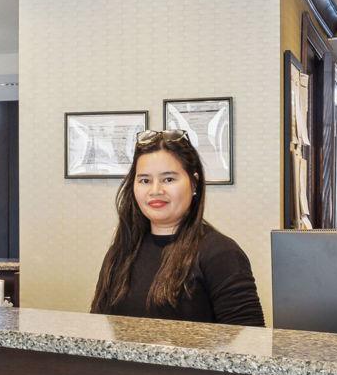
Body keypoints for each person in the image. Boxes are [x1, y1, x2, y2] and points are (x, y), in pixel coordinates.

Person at [90, 130, 264, 325]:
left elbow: (250, 344)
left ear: (194, 182)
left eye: (168, 179)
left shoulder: (220, 253)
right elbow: (99, 328)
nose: (155, 191)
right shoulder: (124, 249)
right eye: (145, 180)